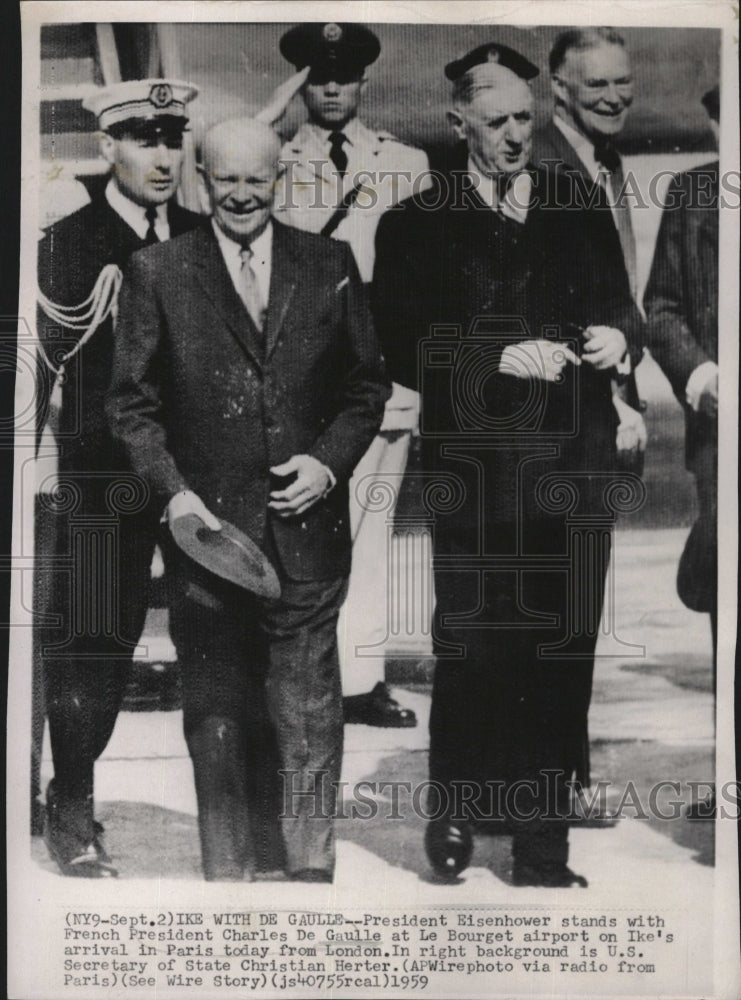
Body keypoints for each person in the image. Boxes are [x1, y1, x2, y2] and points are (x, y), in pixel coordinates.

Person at [373, 44, 643, 887]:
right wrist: (492, 357)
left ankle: (541, 847)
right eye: (496, 123)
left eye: (526, 118)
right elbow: (401, 343)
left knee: (560, 651)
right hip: (478, 478)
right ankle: (454, 809)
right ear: (458, 126)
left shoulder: (577, 204)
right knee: (474, 645)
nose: (517, 136)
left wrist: (617, 341)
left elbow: (620, 308)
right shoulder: (414, 222)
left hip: (573, 466)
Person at [108, 118, 389, 881]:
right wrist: (176, 500)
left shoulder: (326, 261)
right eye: (224, 179)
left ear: (279, 182)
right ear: (202, 178)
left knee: (305, 706)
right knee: (220, 707)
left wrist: (327, 465)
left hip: (309, 528)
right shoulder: (157, 269)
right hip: (209, 536)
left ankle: (307, 868)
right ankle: (228, 872)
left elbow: (367, 388)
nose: (239, 195)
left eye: (255, 180)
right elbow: (130, 405)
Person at [36, 78, 201, 877]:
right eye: (143, 138)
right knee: (93, 644)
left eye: (173, 138)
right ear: (107, 148)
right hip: (104, 481)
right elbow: (37, 374)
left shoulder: (209, 233)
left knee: (222, 642)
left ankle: (241, 822)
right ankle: (71, 808)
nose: (162, 155)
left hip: (196, 481)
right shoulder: (65, 245)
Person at [274, 22, 430, 727]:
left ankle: (360, 680)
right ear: (298, 82)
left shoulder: (404, 163)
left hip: (381, 375)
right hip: (300, 377)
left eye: (343, 75)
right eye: (316, 74)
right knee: (300, 524)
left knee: (371, 525)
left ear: (362, 81)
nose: (331, 87)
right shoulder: (269, 158)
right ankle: (301, 674)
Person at [532, 27, 647, 464]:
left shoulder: (608, 161)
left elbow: (621, 288)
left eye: (623, 81)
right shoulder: (536, 164)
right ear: (559, 87)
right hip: (565, 413)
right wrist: (606, 403)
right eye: (597, 84)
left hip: (613, 399)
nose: (614, 98)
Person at [644, 85, 719, 658]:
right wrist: (700, 378)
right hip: (722, 429)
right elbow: (663, 306)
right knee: (728, 590)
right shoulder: (693, 193)